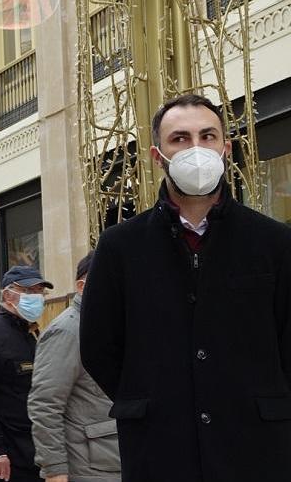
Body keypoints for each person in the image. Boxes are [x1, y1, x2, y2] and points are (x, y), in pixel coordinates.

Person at [80, 94, 291, 482]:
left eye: (207, 136)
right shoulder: (119, 247)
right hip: (159, 449)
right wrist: (147, 399)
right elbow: (98, 347)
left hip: (256, 449)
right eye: (179, 138)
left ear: (225, 149)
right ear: (157, 156)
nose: (196, 148)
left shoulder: (274, 242)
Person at [27, 253, 120, 482]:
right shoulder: (68, 330)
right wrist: (55, 470)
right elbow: (45, 404)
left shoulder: (109, 325)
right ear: (82, 286)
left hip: (115, 461)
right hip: (89, 469)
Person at [0, 265, 54, 482]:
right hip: (6, 455)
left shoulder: (32, 333)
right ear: (8, 295)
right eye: (28, 291)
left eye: (39, 292)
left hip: (31, 450)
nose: (36, 297)